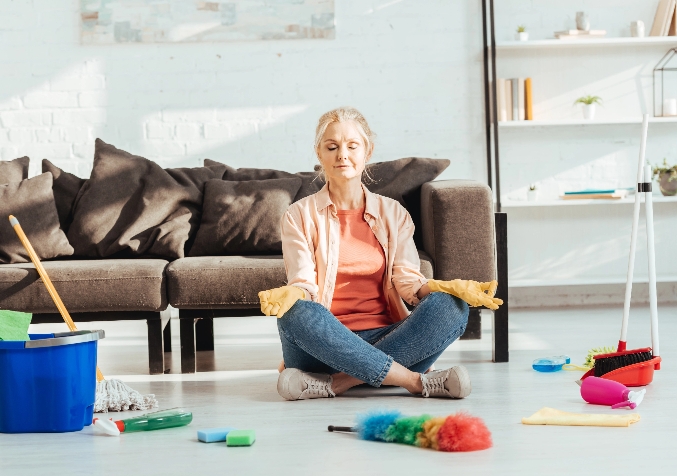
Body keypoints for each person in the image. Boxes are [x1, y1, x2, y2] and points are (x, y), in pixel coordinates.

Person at [258, 107, 502, 401]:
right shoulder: (299, 215)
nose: (342, 155)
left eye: (352, 146)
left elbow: (408, 282)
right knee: (294, 313)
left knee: (452, 307)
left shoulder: (393, 213)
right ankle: (412, 381)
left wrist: (444, 289)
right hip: (324, 346)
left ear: (367, 151)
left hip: (391, 339)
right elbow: (304, 283)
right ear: (319, 153)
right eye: (332, 147)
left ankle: (336, 384)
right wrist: (293, 295)